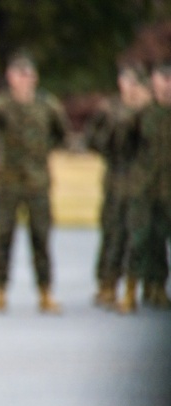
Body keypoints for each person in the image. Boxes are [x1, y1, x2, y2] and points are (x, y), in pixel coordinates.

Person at [0, 52, 69, 314]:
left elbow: (60, 134)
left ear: (35, 78)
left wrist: (41, 155)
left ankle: (45, 291)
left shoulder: (47, 106)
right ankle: (0, 291)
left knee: (40, 237)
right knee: (4, 236)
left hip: (37, 182)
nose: (23, 80)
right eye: (18, 74)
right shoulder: (2, 105)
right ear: (10, 77)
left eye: (27, 75)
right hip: (7, 183)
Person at [84, 62, 152, 308]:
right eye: (127, 81)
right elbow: (95, 141)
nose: (131, 87)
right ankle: (107, 284)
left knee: (140, 236)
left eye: (136, 82)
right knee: (113, 234)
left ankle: (140, 287)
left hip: (144, 183)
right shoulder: (110, 110)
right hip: (115, 181)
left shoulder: (152, 111)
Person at [121, 58, 171, 312]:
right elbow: (125, 146)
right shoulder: (142, 115)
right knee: (139, 239)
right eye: (162, 81)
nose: (166, 87)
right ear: (153, 84)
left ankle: (158, 288)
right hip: (143, 189)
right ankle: (131, 290)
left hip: (168, 190)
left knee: (162, 241)